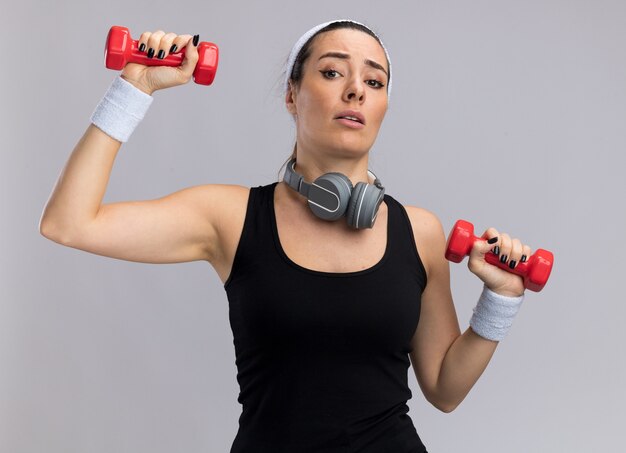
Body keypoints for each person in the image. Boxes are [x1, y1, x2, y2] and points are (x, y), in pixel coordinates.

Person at [40, 20, 533, 453]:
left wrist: (501, 298)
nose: (356, 90)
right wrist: (136, 85)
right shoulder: (229, 217)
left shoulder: (420, 231)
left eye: (375, 80)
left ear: (384, 104)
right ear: (292, 95)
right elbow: (69, 222)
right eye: (333, 72)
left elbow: (445, 390)